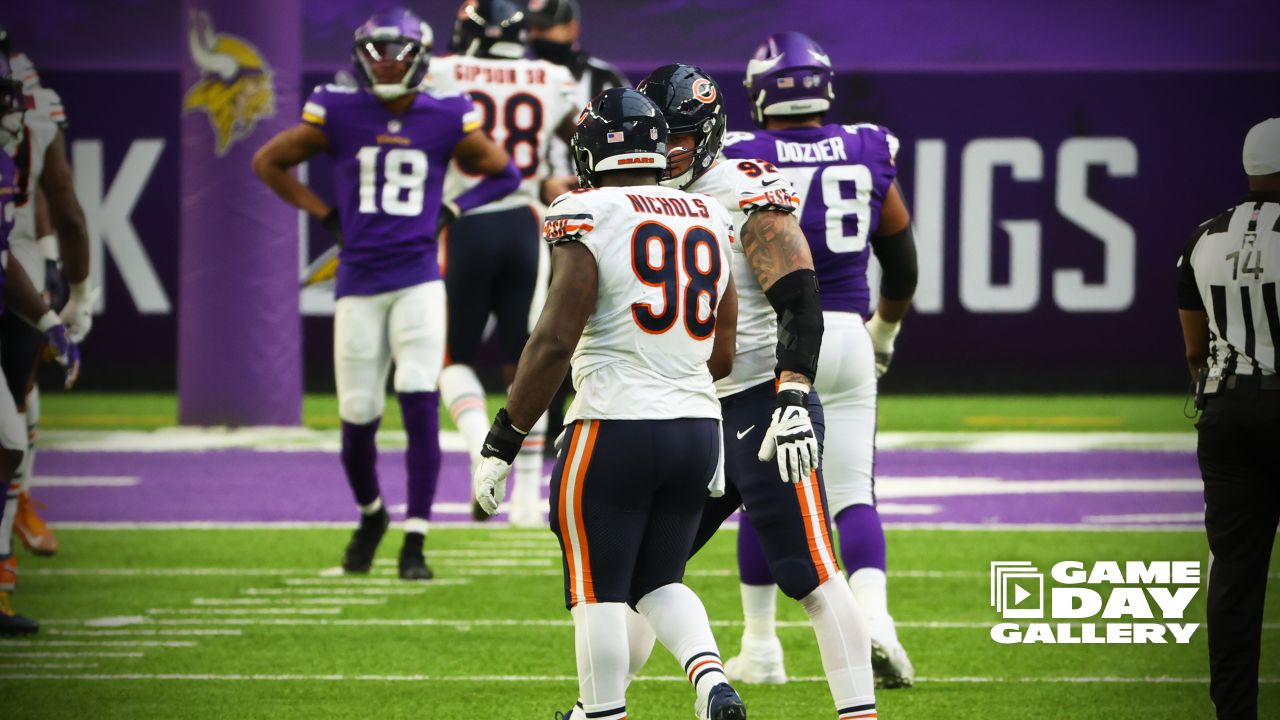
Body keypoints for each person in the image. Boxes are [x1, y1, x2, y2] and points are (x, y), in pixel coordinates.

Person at [471, 87, 746, 720]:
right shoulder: (708, 214)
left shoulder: (587, 210)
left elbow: (553, 341)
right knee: (659, 580)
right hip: (698, 426)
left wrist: (503, 441)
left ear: (595, 149)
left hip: (615, 425)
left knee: (596, 591)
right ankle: (712, 685)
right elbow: (723, 353)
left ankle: (602, 715)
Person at [626, 64, 877, 720]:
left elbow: (800, 294)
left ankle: (860, 715)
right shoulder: (640, 191)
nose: (664, 153)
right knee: (640, 572)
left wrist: (793, 394)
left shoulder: (742, 187)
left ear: (705, 134)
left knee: (810, 573)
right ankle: (605, 704)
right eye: (655, 139)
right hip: (686, 410)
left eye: (676, 139)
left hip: (763, 402)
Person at [252, 8, 519, 580]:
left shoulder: (446, 113)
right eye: (380, 53)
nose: (390, 63)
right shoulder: (338, 110)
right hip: (359, 281)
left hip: (418, 278)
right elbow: (268, 161)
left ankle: (416, 537)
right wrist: (325, 216)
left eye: (399, 53)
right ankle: (372, 515)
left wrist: (451, 209)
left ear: (419, 57)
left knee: (419, 399)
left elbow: (505, 173)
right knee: (357, 415)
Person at [719, 31, 918, 688]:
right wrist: (883, 332)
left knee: (761, 493)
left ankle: (761, 645)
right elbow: (902, 258)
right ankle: (878, 618)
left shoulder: (741, 155)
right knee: (852, 492)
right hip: (850, 335)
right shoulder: (866, 144)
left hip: (778, 338)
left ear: (762, 93)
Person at [426, 0, 580, 527]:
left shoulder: (444, 71)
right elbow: (576, 139)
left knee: (452, 358)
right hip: (526, 222)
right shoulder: (551, 75)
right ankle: (526, 501)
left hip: (466, 219)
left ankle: (479, 452)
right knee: (528, 359)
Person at [1177, 117, 1280, 720]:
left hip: (1226, 410)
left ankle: (1233, 711)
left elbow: (1195, 348)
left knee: (1235, 578)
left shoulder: (1203, 237)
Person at [0, 26, 93, 560]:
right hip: (18, 266)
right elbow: (65, 205)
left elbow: (37, 193)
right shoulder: (30, 107)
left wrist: (54, 277)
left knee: (13, 426)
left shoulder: (27, 104)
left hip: (16, 265)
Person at [523, 0, 630, 459]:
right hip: (530, 209)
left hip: (600, 211)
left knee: (595, 315)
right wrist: (538, 181)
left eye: (549, 27)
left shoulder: (604, 79)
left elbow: (632, 138)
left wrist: (595, 185)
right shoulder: (518, 77)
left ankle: (582, 417)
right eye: (534, 28)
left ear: (572, 27)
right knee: (546, 321)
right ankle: (540, 422)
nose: (540, 37)